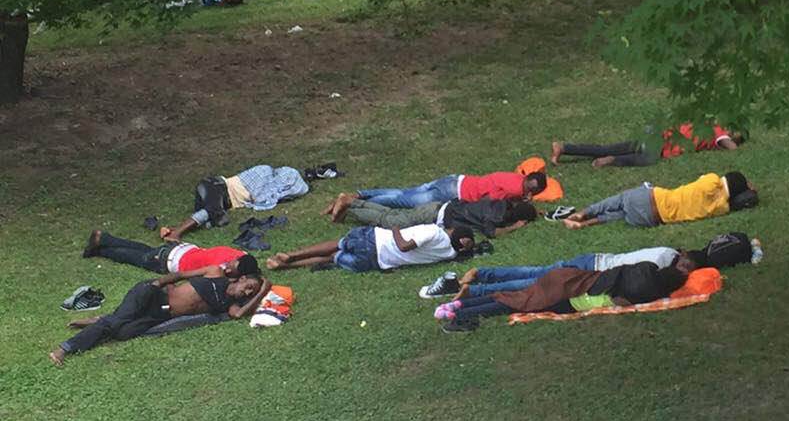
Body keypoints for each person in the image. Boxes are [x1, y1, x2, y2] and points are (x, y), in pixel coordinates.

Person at [49, 272, 269, 365]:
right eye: (249, 287)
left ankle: (100, 320)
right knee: (115, 323)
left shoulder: (226, 305)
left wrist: (261, 292)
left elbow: (239, 315)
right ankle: (65, 348)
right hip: (153, 294)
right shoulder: (215, 276)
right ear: (240, 279)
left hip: (159, 313)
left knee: (123, 332)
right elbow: (182, 274)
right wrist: (157, 284)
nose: (247, 293)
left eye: (251, 293)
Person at [435, 261, 688, 333]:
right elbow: (620, 302)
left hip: (568, 277)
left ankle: (459, 304)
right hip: (567, 296)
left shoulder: (646, 266)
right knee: (513, 302)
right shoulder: (646, 291)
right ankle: (460, 312)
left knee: (515, 295)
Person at [420, 246, 689, 299]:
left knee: (536, 273)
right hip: (591, 273)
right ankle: (475, 289)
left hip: (592, 260)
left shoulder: (664, 251)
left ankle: (482, 274)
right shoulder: (663, 264)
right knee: (533, 285)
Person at [160, 164, 310, 241]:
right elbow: (262, 194)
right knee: (212, 211)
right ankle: (177, 234)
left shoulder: (269, 178)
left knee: (213, 221)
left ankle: (172, 230)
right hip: (217, 186)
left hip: (219, 195)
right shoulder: (264, 172)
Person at [562, 171, 757, 230]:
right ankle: (587, 223)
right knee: (622, 214)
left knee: (620, 200)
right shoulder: (721, 207)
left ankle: (583, 213)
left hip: (654, 198)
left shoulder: (712, 181)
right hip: (651, 220)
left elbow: (705, 179)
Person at [265, 224, 475, 273]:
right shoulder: (449, 254)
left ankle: (291, 255)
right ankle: (286, 266)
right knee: (332, 257)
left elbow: (403, 246)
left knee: (339, 243)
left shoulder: (435, 232)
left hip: (375, 241)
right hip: (373, 263)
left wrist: (394, 229)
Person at [325, 193, 537, 238]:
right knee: (390, 222)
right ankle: (350, 206)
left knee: (394, 214)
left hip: (438, 207)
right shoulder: (497, 216)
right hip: (435, 216)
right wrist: (514, 227)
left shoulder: (500, 203)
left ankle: (351, 203)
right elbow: (492, 232)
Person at [551, 123, 746, 168]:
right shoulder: (720, 132)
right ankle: (612, 161)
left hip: (657, 132)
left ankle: (565, 147)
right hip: (662, 142)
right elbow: (728, 145)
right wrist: (735, 143)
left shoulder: (708, 124)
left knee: (607, 147)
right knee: (647, 158)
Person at [82, 229, 259, 278]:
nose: (228, 270)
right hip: (169, 260)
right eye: (231, 268)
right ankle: (102, 250)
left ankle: (105, 238)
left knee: (145, 249)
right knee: (136, 258)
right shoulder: (221, 269)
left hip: (182, 249)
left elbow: (247, 262)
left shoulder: (238, 253)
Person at [356, 171, 547, 209]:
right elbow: (490, 202)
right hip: (454, 193)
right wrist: (517, 203)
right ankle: (357, 204)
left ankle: (361, 194)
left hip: (455, 179)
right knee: (404, 201)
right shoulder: (516, 190)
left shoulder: (516, 177)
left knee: (406, 192)